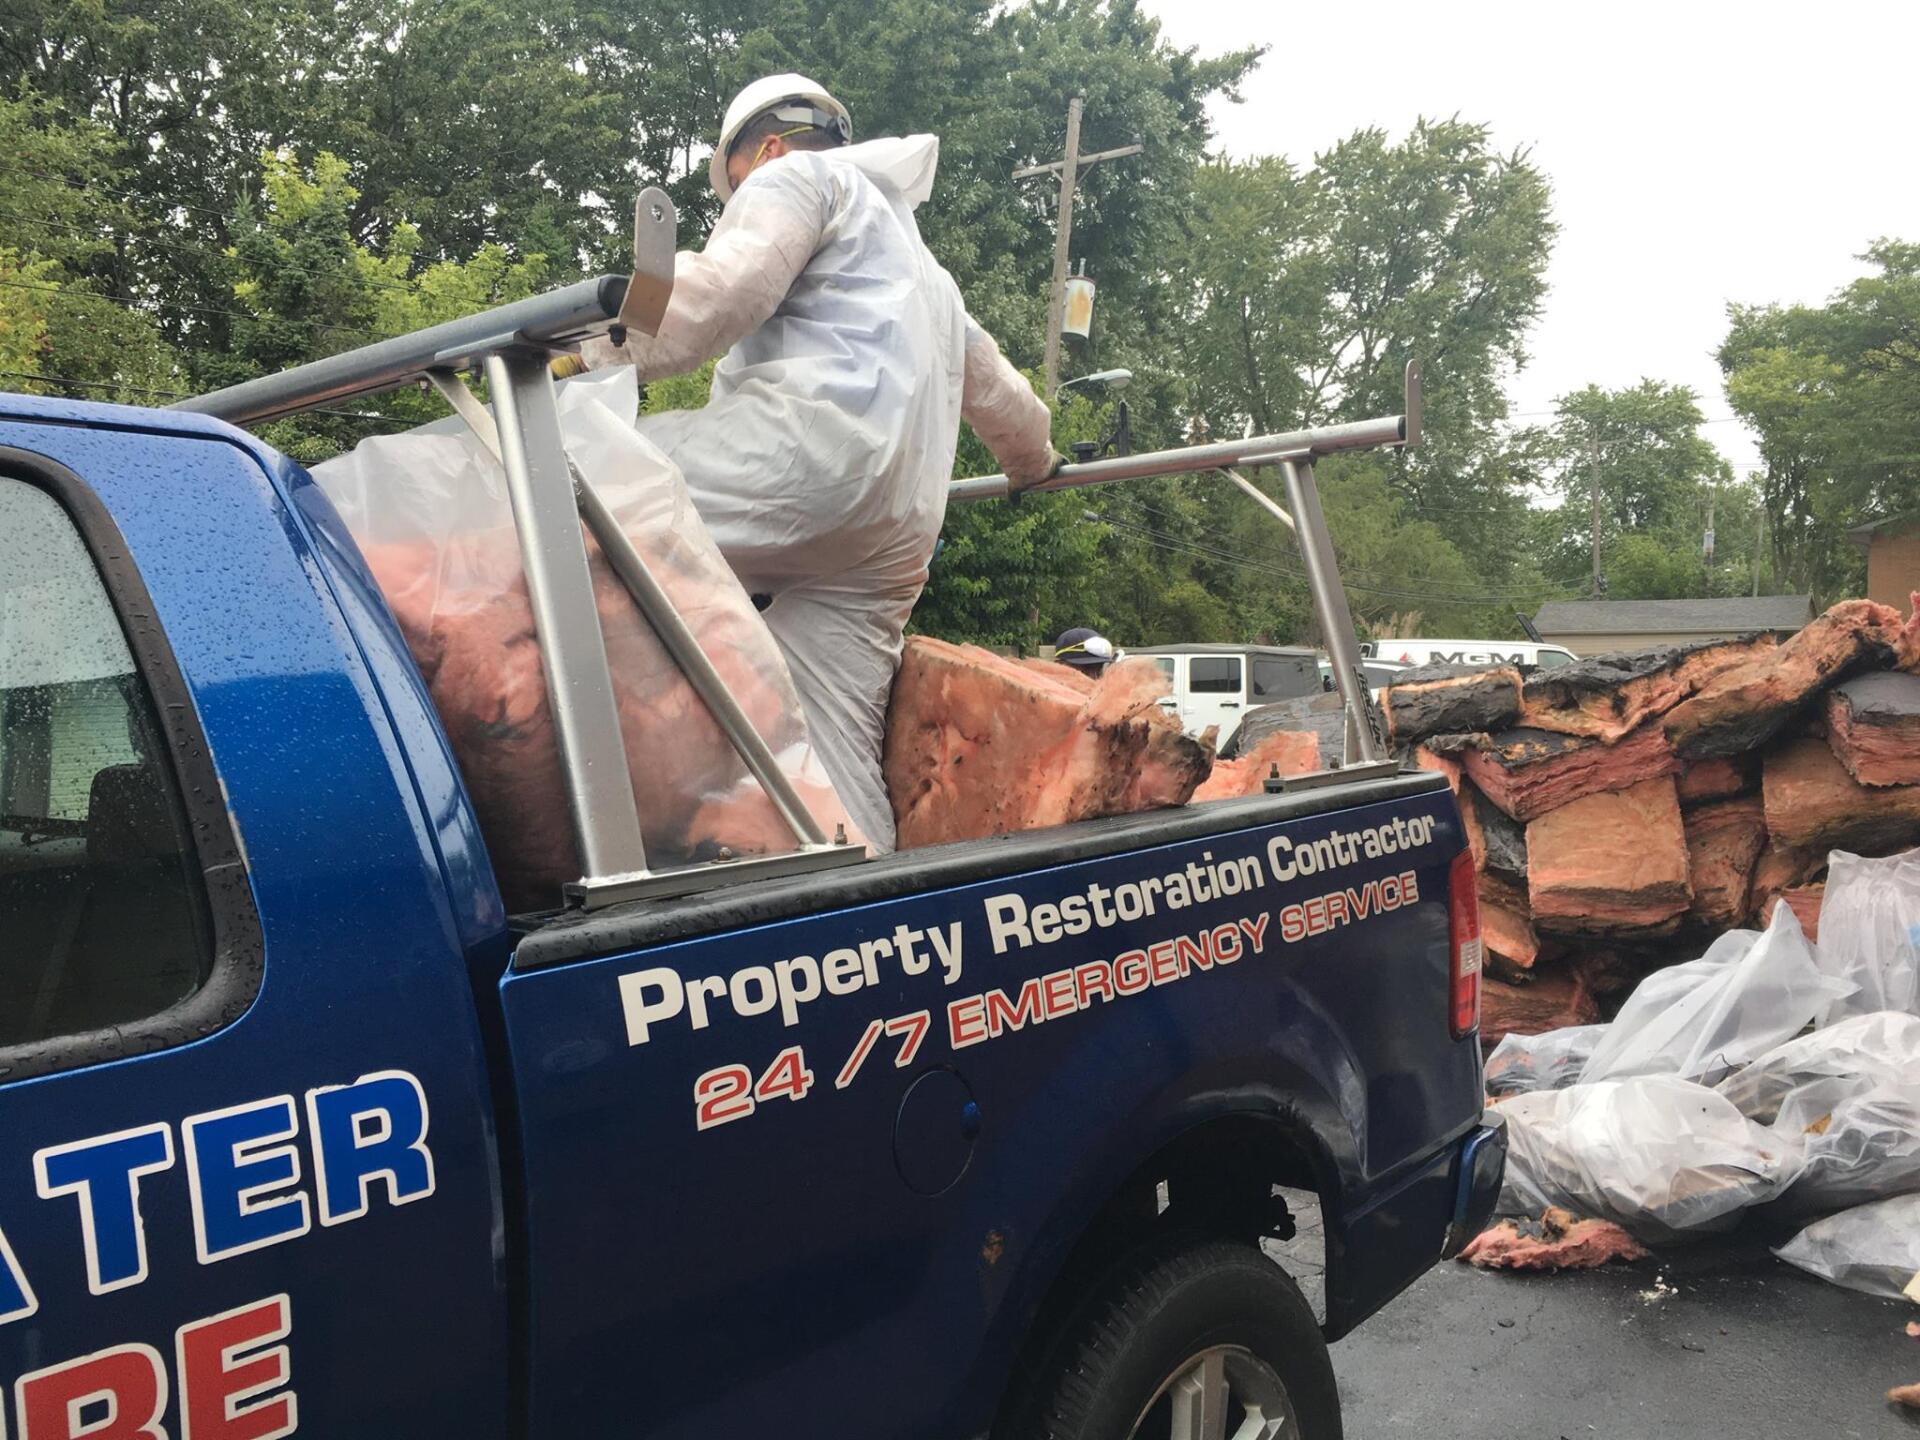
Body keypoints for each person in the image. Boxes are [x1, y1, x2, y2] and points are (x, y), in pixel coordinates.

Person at [572, 74, 1057, 853]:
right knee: (831, 755)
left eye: (730, 191)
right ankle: (874, 924)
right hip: (894, 538)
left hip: (804, 466)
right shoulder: (932, 278)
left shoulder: (800, 178)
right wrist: (1033, 463)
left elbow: (714, 299)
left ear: (760, 151)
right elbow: (1009, 403)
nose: (734, 206)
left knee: (561, 474)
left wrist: (569, 355)